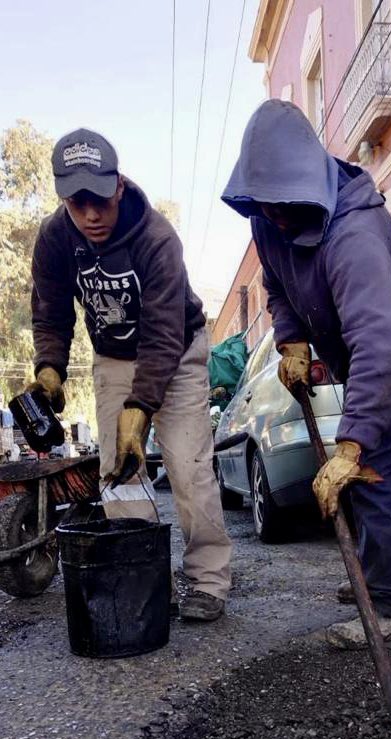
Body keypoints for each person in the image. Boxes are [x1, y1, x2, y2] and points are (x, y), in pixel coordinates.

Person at [222, 100, 391, 650]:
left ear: (306, 182)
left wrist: (350, 447)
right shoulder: (269, 217)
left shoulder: (355, 236)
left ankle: (388, 607)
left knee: (373, 471)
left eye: (282, 205)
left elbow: (381, 349)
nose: (273, 217)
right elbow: (278, 284)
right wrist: (291, 338)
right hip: (362, 351)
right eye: (265, 204)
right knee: (366, 468)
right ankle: (382, 570)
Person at [29, 128, 231, 622]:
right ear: (64, 199)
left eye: (99, 199)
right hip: (113, 357)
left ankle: (208, 580)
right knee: (120, 472)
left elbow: (163, 334)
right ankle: (144, 579)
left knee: (187, 466)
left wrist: (140, 410)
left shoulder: (157, 238)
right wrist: (50, 368)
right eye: (78, 204)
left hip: (177, 352)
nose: (92, 215)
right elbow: (51, 310)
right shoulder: (56, 239)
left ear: (118, 185)